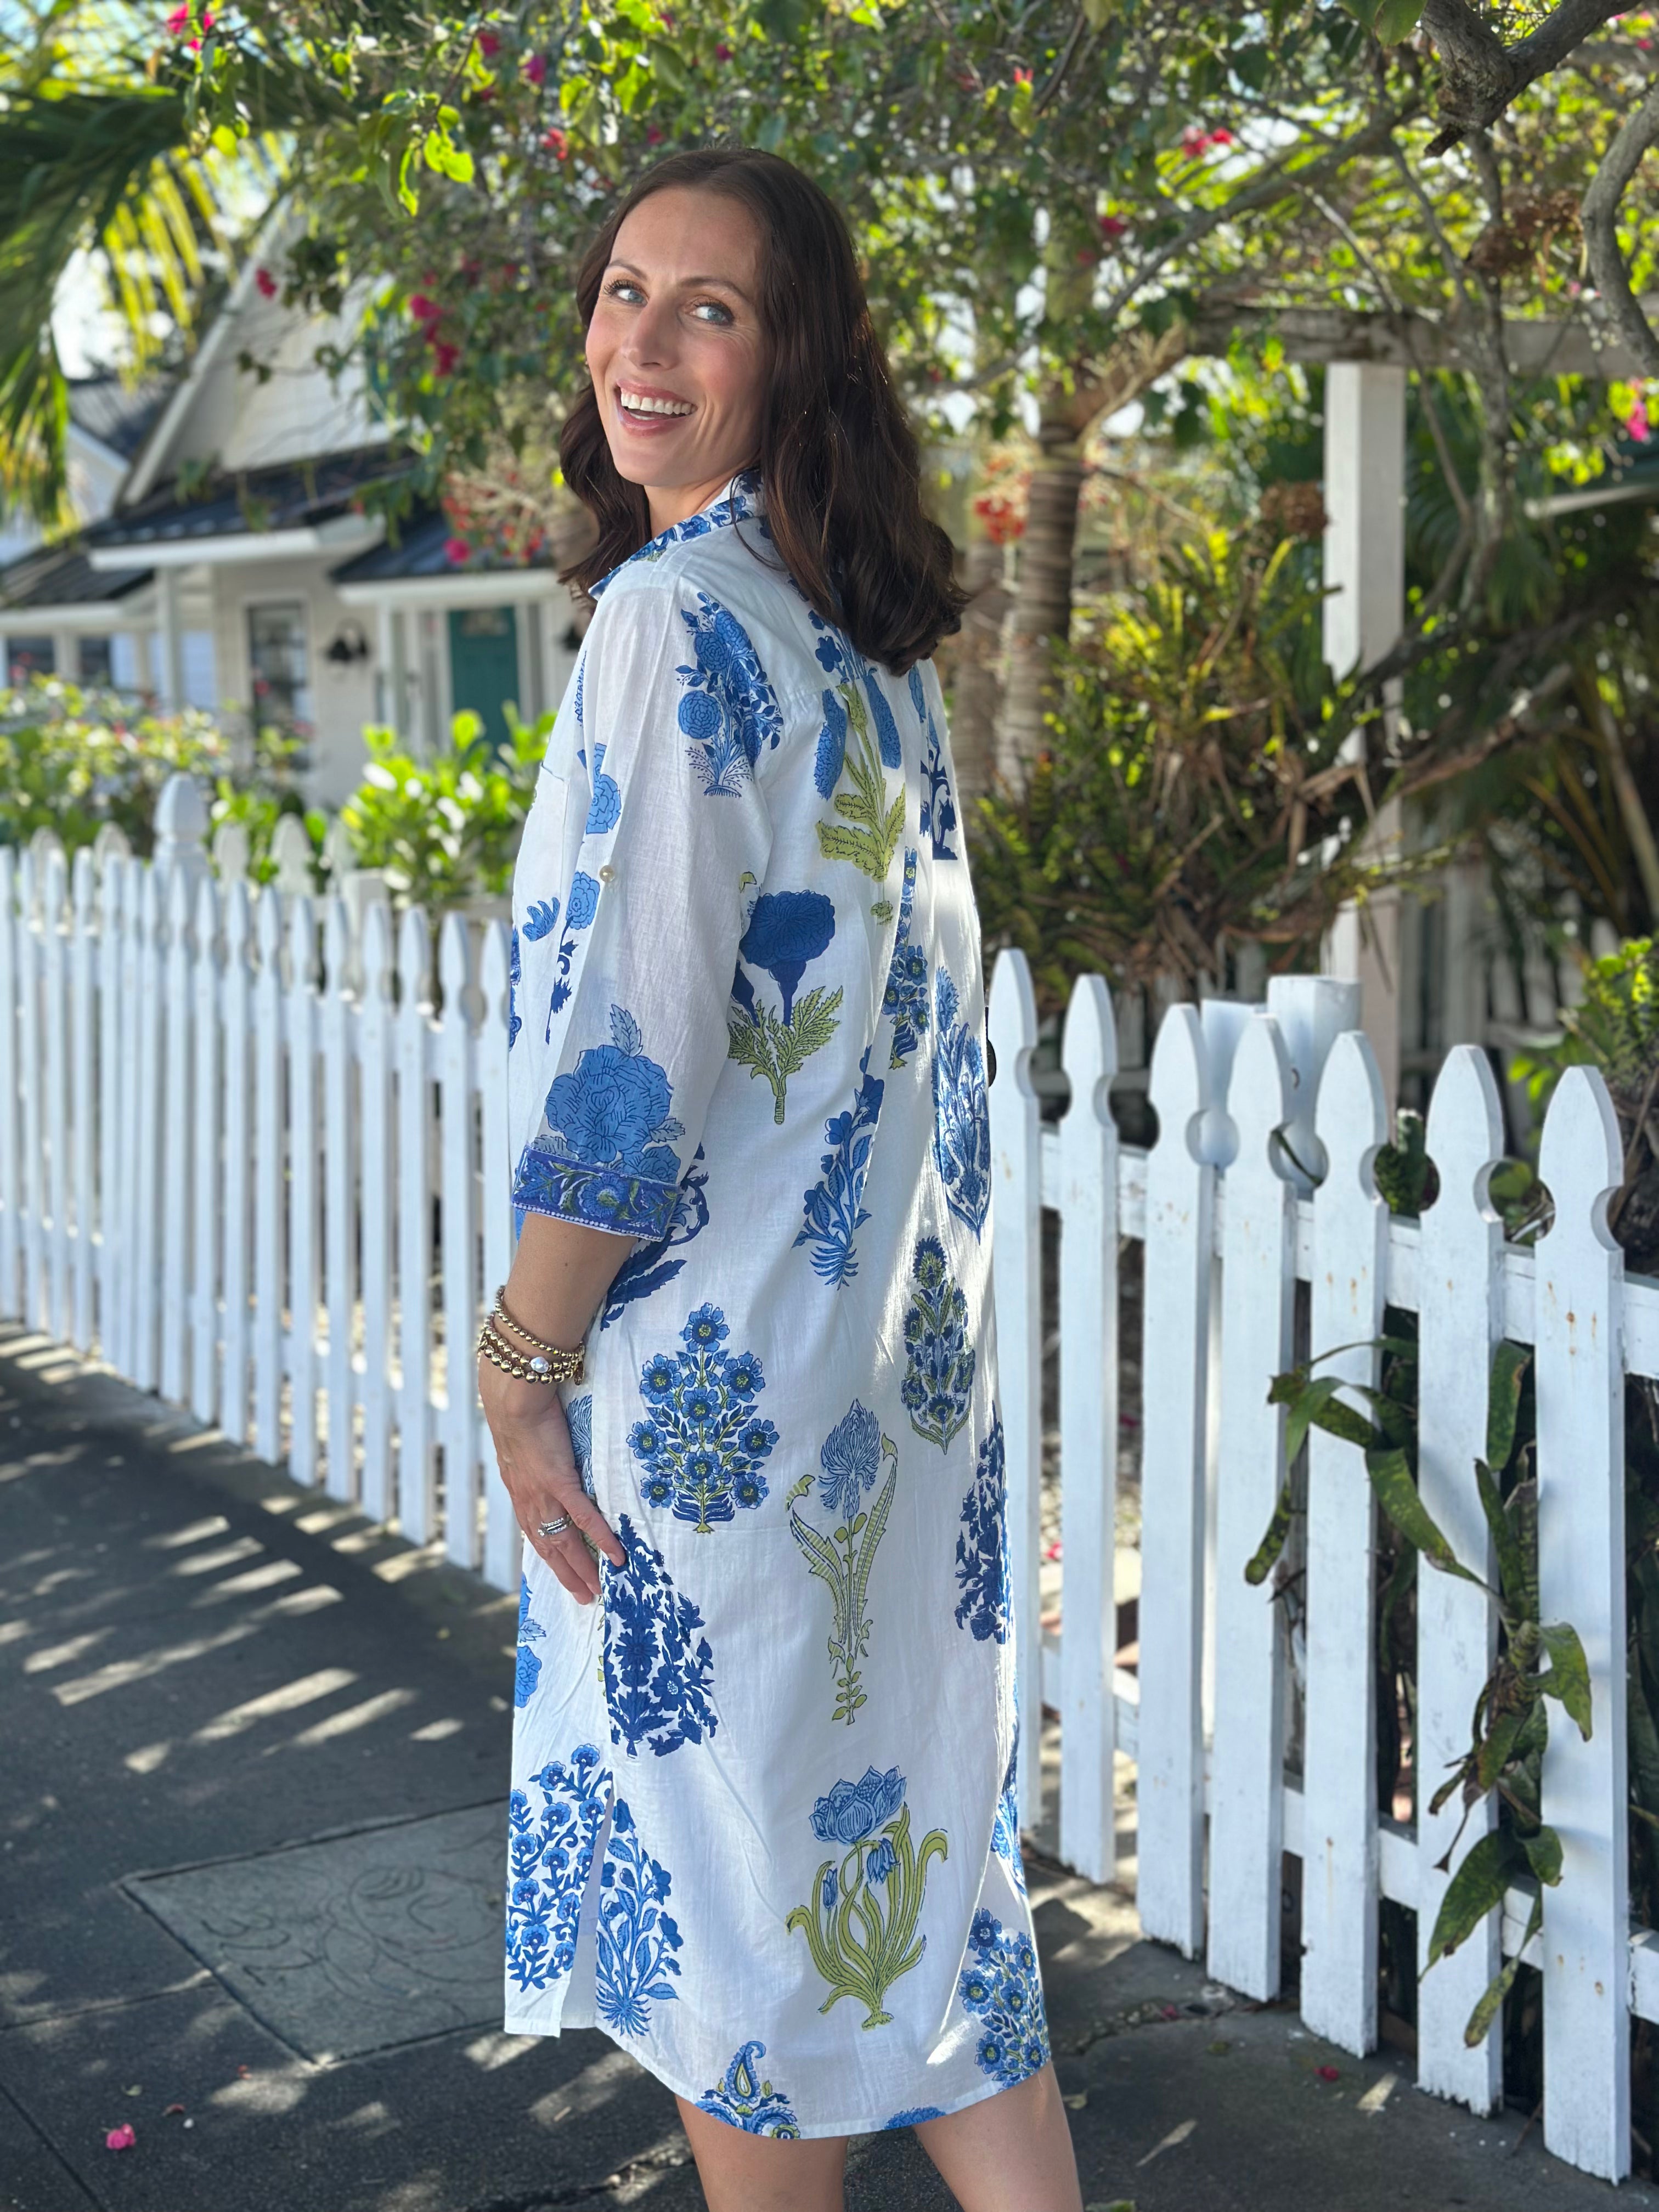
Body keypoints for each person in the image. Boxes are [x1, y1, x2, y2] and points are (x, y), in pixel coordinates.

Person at [477, 145, 1084, 2212]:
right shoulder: (863, 649)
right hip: (895, 1423)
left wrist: (512, 1359)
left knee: (745, 1970)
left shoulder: (675, 623)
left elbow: (633, 1074)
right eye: (624, 288)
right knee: (934, 1947)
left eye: (708, 309)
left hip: (721, 1421)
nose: (640, 343)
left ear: (792, 359)